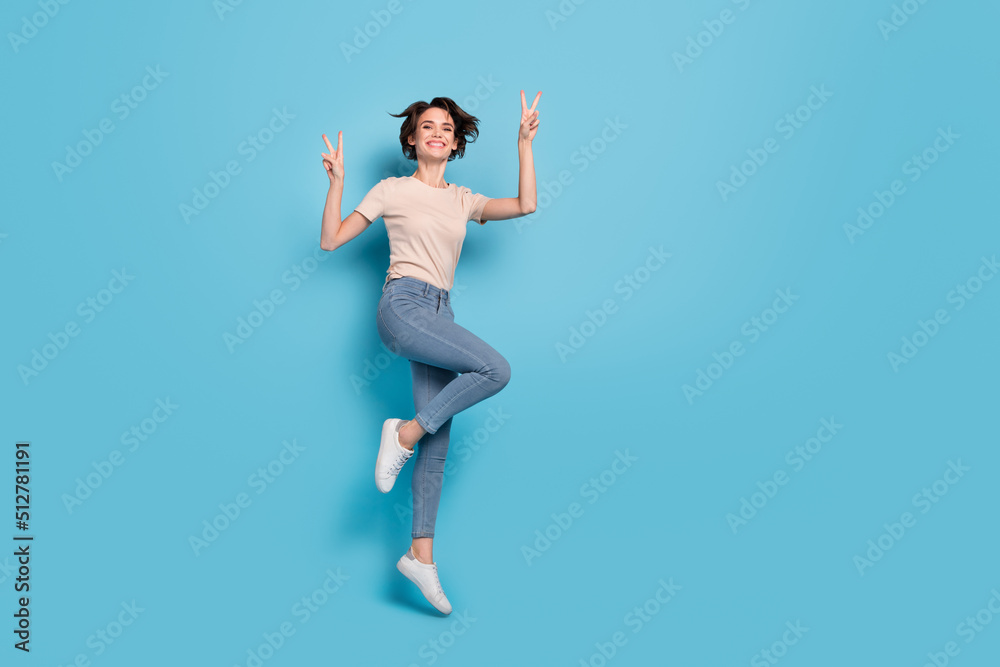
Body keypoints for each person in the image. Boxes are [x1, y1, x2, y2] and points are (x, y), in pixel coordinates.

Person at [318, 91, 541, 614]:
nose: (438, 132)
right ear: (413, 140)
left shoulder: (462, 199)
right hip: (402, 305)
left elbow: (526, 205)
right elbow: (331, 240)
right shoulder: (392, 189)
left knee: (437, 442)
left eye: (447, 127)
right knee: (495, 369)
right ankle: (403, 432)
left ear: (456, 142)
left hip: (441, 314)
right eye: (428, 126)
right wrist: (336, 184)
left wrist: (524, 144)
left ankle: (420, 556)